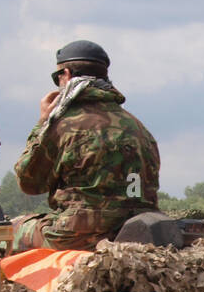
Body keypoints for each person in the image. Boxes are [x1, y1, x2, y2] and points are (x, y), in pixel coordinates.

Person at [12, 39, 160, 253]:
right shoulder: (138, 127)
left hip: (78, 234)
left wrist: (42, 123)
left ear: (68, 75)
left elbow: (28, 182)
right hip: (139, 230)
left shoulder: (63, 126)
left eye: (58, 77)